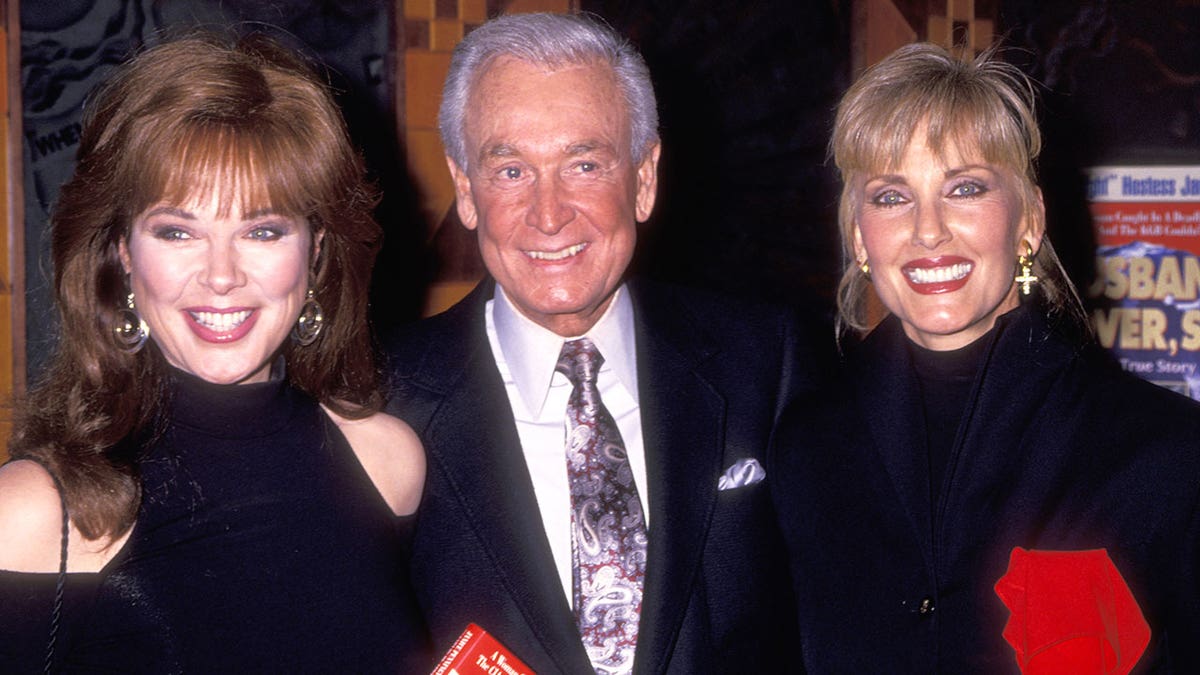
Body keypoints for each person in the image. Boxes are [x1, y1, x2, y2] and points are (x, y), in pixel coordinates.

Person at [386, 12, 821, 674]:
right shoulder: (379, 399)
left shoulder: (766, 363)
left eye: (583, 163)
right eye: (510, 171)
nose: (549, 212)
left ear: (643, 180)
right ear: (465, 190)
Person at [0, 34, 431, 672]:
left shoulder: (388, 462)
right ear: (122, 252)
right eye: (178, 231)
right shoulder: (36, 512)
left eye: (262, 229)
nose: (221, 275)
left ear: (315, 252)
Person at [772, 42, 1200, 673]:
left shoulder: (1165, 456)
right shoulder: (802, 451)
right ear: (859, 235)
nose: (928, 229)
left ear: (1028, 221)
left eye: (964, 188)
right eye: (892, 196)